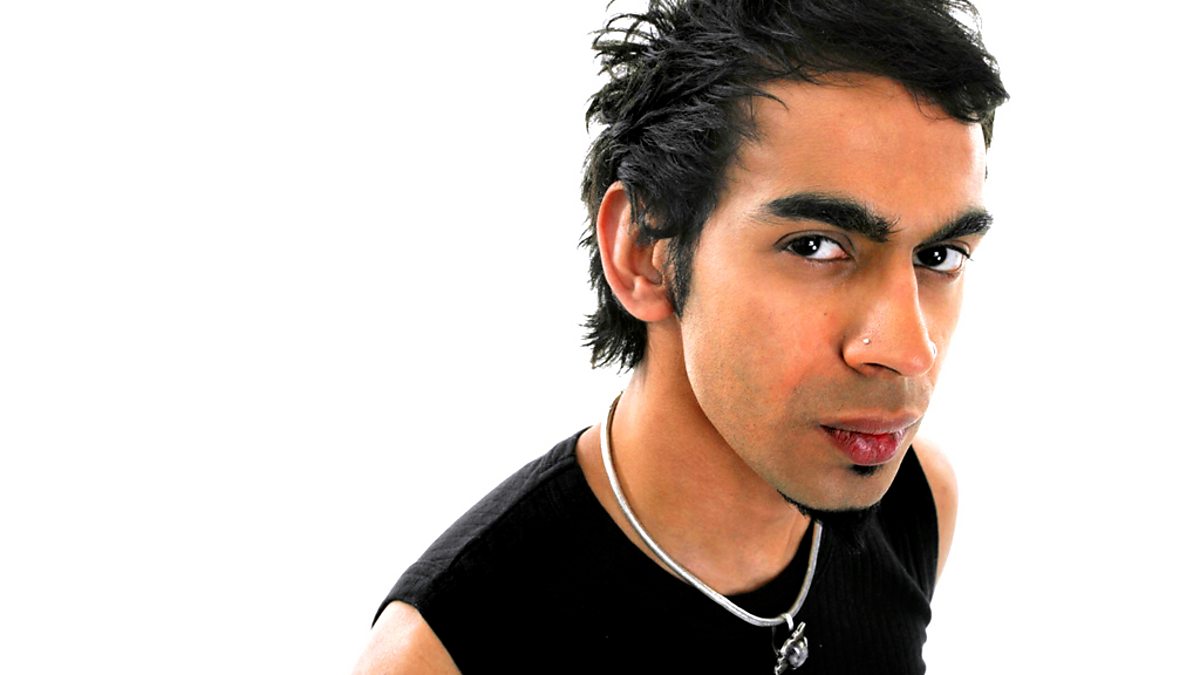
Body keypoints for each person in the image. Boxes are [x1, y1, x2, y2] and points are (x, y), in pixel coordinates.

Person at [354, 0, 1007, 672]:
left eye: (939, 256)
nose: (910, 351)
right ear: (643, 252)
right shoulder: (440, 654)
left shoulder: (918, 498)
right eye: (815, 246)